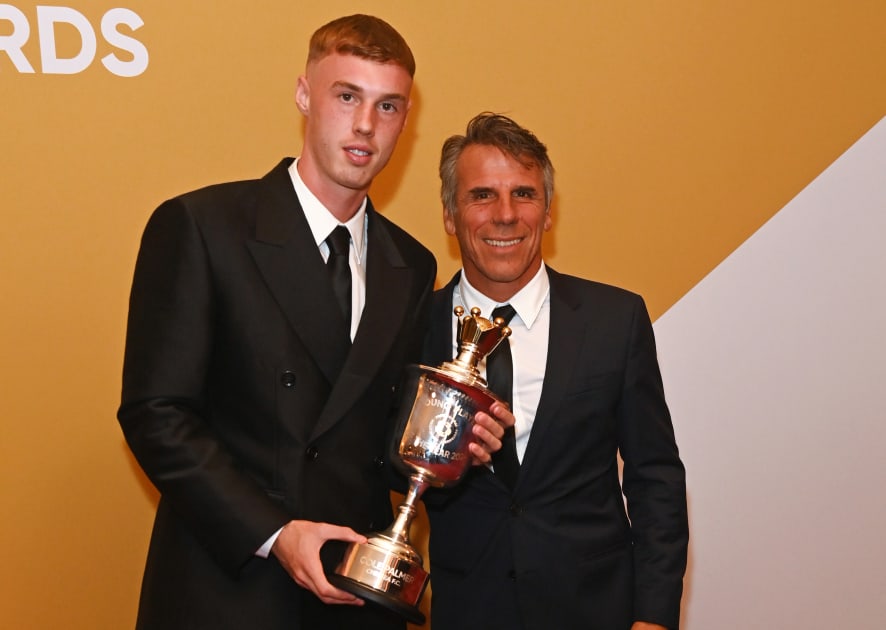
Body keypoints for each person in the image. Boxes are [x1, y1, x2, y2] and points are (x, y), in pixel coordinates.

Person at [118, 17, 509, 630]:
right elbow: (156, 414)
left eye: (388, 106)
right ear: (305, 94)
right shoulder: (203, 226)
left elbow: (375, 446)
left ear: (406, 120)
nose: (365, 126)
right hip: (227, 589)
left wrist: (453, 447)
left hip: (352, 597)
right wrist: (276, 534)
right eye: (346, 96)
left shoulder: (409, 263)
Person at [422, 112, 689, 630]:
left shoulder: (616, 320)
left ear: (547, 212)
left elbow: (655, 475)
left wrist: (654, 617)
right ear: (451, 215)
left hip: (598, 611)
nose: (505, 215)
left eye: (524, 194)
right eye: (481, 195)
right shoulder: (412, 327)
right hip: (468, 612)